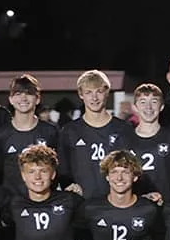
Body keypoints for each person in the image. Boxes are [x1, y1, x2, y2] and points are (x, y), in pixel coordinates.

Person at [57, 70, 135, 200]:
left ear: (107, 93)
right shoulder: (69, 131)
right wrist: (69, 187)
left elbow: (133, 168)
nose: (94, 98)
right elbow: (63, 172)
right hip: (81, 205)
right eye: (89, 92)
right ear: (81, 95)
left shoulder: (124, 129)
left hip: (117, 205)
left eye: (99, 91)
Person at [0, 74, 60, 197]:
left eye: (28, 93)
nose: (23, 98)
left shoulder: (51, 132)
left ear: (37, 99)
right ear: (10, 99)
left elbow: (59, 169)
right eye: (18, 94)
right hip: (10, 205)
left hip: (44, 203)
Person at [127, 83, 170, 205]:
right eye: (143, 102)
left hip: (166, 207)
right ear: (135, 107)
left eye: (154, 102)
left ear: (162, 106)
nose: (148, 107)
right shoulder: (124, 139)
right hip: (134, 209)